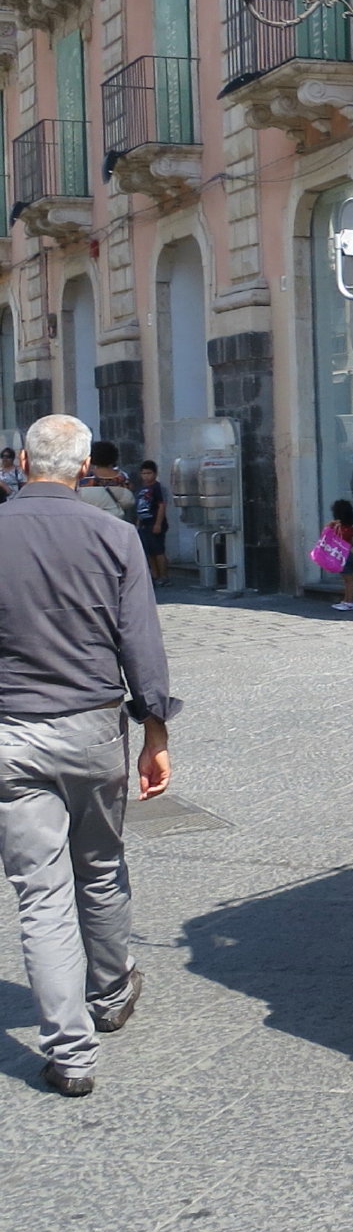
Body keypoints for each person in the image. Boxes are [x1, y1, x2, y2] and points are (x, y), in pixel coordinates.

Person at [0, 415, 176, 1098]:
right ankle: (109, 994)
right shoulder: (115, 535)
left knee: (39, 894)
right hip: (94, 727)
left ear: (21, 461)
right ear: (82, 469)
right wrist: (156, 731)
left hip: (12, 731)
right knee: (100, 866)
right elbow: (142, 641)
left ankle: (70, 1053)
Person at [77, 442, 135, 523]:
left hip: (91, 521)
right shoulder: (123, 477)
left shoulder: (85, 477)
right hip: (115, 522)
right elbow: (128, 501)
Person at [133, 461, 169, 587]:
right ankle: (154, 575)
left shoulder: (157, 488)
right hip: (144, 523)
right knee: (149, 552)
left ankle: (163, 576)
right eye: (143, 473)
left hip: (155, 522)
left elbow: (162, 505)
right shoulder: (142, 489)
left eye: (149, 473)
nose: (146, 476)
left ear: (155, 473)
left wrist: (158, 523)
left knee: (158, 550)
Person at [325, 499, 353, 611]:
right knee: (347, 579)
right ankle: (347, 600)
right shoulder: (350, 528)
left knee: (348, 580)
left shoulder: (336, 528)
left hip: (342, 556)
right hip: (348, 554)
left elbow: (326, 534)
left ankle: (350, 601)